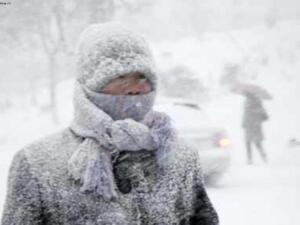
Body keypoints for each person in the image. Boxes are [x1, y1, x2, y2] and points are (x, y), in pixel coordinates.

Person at [1, 23, 219, 225]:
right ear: (90, 84)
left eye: (142, 77)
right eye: (120, 77)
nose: (133, 88)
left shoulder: (181, 157)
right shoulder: (36, 164)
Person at [242, 92, 269, 164]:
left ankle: (250, 159)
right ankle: (263, 155)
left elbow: (245, 115)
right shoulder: (258, 103)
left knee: (248, 143)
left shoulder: (248, 103)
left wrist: (243, 123)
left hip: (250, 125)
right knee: (256, 142)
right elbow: (265, 116)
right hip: (256, 125)